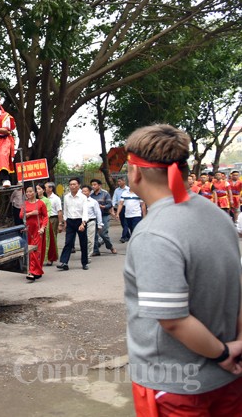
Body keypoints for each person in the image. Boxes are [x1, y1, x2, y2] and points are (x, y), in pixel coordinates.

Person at [122, 124, 242, 415]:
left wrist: (224, 354)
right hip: (228, 382)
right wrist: (237, 343)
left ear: (136, 172)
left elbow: (172, 320)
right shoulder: (217, 215)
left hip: (175, 386)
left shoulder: (155, 234)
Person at [57, 178, 90, 271]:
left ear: (78, 185)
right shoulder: (66, 197)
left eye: (74, 184)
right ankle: (64, 262)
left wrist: (83, 223)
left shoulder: (83, 197)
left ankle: (84, 263)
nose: (72, 186)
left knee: (83, 243)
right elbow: (66, 210)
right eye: (70, 184)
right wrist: (65, 222)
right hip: (70, 221)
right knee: (68, 242)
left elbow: (85, 211)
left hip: (80, 221)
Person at [20, 185, 48, 281]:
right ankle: (36, 270)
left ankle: (33, 271)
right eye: (27, 192)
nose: (28, 193)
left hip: (38, 230)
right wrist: (31, 213)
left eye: (30, 191)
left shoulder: (40, 203)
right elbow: (21, 216)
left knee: (36, 250)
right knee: (30, 249)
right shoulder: (24, 204)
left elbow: (45, 216)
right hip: (28, 230)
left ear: (35, 192)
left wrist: (43, 228)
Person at [90, 179, 116, 255]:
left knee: (103, 233)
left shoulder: (105, 193)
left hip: (104, 215)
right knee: (94, 234)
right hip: (94, 216)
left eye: (95, 184)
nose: (93, 186)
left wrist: (103, 206)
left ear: (99, 185)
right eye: (92, 185)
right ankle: (96, 250)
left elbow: (110, 204)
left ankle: (110, 246)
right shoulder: (91, 195)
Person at [81, 185, 103, 258]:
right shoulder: (79, 201)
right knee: (83, 239)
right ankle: (84, 253)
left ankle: (88, 256)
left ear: (89, 192)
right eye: (82, 191)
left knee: (90, 239)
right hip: (81, 223)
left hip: (91, 222)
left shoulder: (93, 202)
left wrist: (100, 224)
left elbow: (98, 213)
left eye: (85, 191)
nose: (83, 193)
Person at [44, 181, 63, 265]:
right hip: (44, 219)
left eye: (46, 187)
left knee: (52, 238)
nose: (44, 189)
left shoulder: (56, 198)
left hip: (53, 219)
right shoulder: (43, 198)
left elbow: (59, 211)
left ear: (51, 188)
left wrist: (60, 223)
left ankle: (51, 258)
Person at [112, 177, 131, 243]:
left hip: (127, 207)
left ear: (124, 182)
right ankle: (128, 236)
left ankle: (123, 237)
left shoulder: (128, 189)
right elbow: (114, 198)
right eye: (118, 181)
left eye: (120, 181)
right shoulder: (117, 190)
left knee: (125, 222)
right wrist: (113, 206)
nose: (118, 183)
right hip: (120, 208)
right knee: (122, 222)